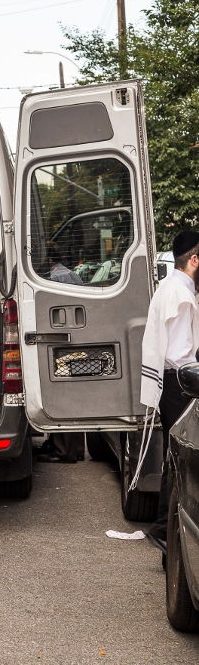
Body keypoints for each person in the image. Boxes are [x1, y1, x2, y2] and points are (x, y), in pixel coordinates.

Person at [141, 230, 199, 554]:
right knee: (181, 457)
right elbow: (182, 353)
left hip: (171, 382)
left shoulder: (171, 287)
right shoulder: (180, 295)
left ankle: (164, 527)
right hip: (180, 382)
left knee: (174, 455)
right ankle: (166, 529)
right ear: (194, 260)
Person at [38, 242, 85, 463]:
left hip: (58, 342)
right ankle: (75, 449)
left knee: (58, 394)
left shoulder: (51, 278)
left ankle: (63, 450)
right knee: (74, 395)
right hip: (78, 339)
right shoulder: (74, 275)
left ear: (48, 260)